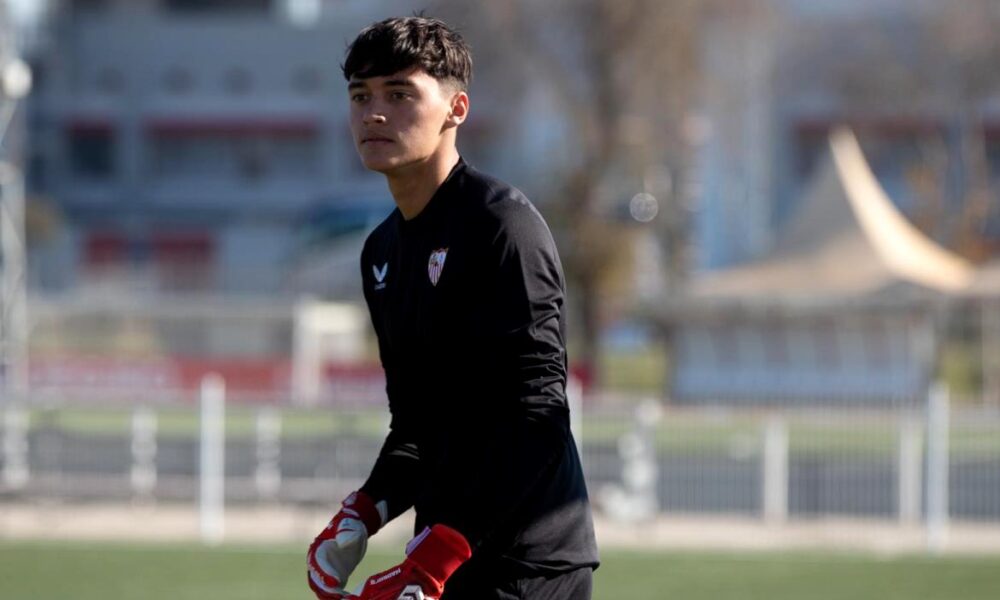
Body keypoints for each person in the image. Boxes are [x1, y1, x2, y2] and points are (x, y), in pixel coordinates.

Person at [307, 16, 599, 600]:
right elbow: (417, 428)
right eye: (360, 96)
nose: (374, 113)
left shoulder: (503, 226)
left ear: (456, 109)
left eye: (399, 93)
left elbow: (539, 415)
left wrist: (442, 551)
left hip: (529, 568)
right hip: (441, 562)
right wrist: (361, 513)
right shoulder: (381, 252)